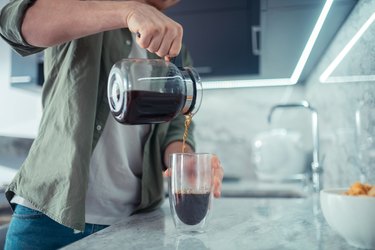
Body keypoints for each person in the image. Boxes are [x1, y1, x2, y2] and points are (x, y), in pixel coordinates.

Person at [0, 0, 224, 249]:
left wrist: (184, 161)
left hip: (134, 223)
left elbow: (176, 124)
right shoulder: (84, 7)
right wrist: (128, 12)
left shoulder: (171, 43)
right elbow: (14, 22)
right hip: (50, 218)